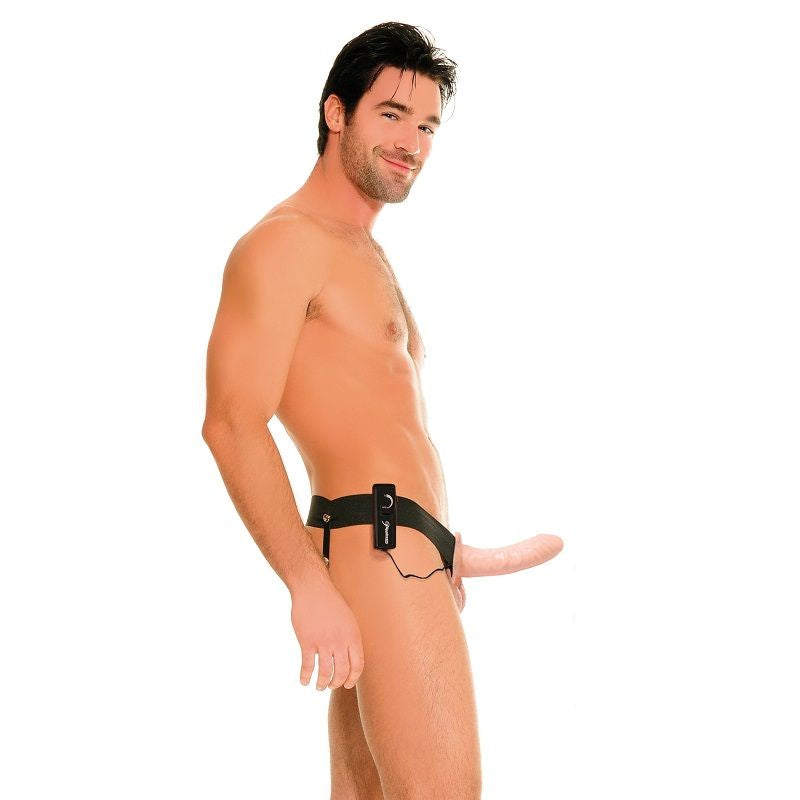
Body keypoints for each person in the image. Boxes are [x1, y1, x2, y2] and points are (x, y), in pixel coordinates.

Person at [202, 21, 563, 799]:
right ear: (336, 113)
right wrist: (307, 583)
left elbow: (375, 422)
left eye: (427, 125)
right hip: (382, 548)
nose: (412, 143)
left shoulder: (358, 248)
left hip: (397, 544)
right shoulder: (285, 243)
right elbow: (231, 422)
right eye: (392, 115)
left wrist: (441, 538)